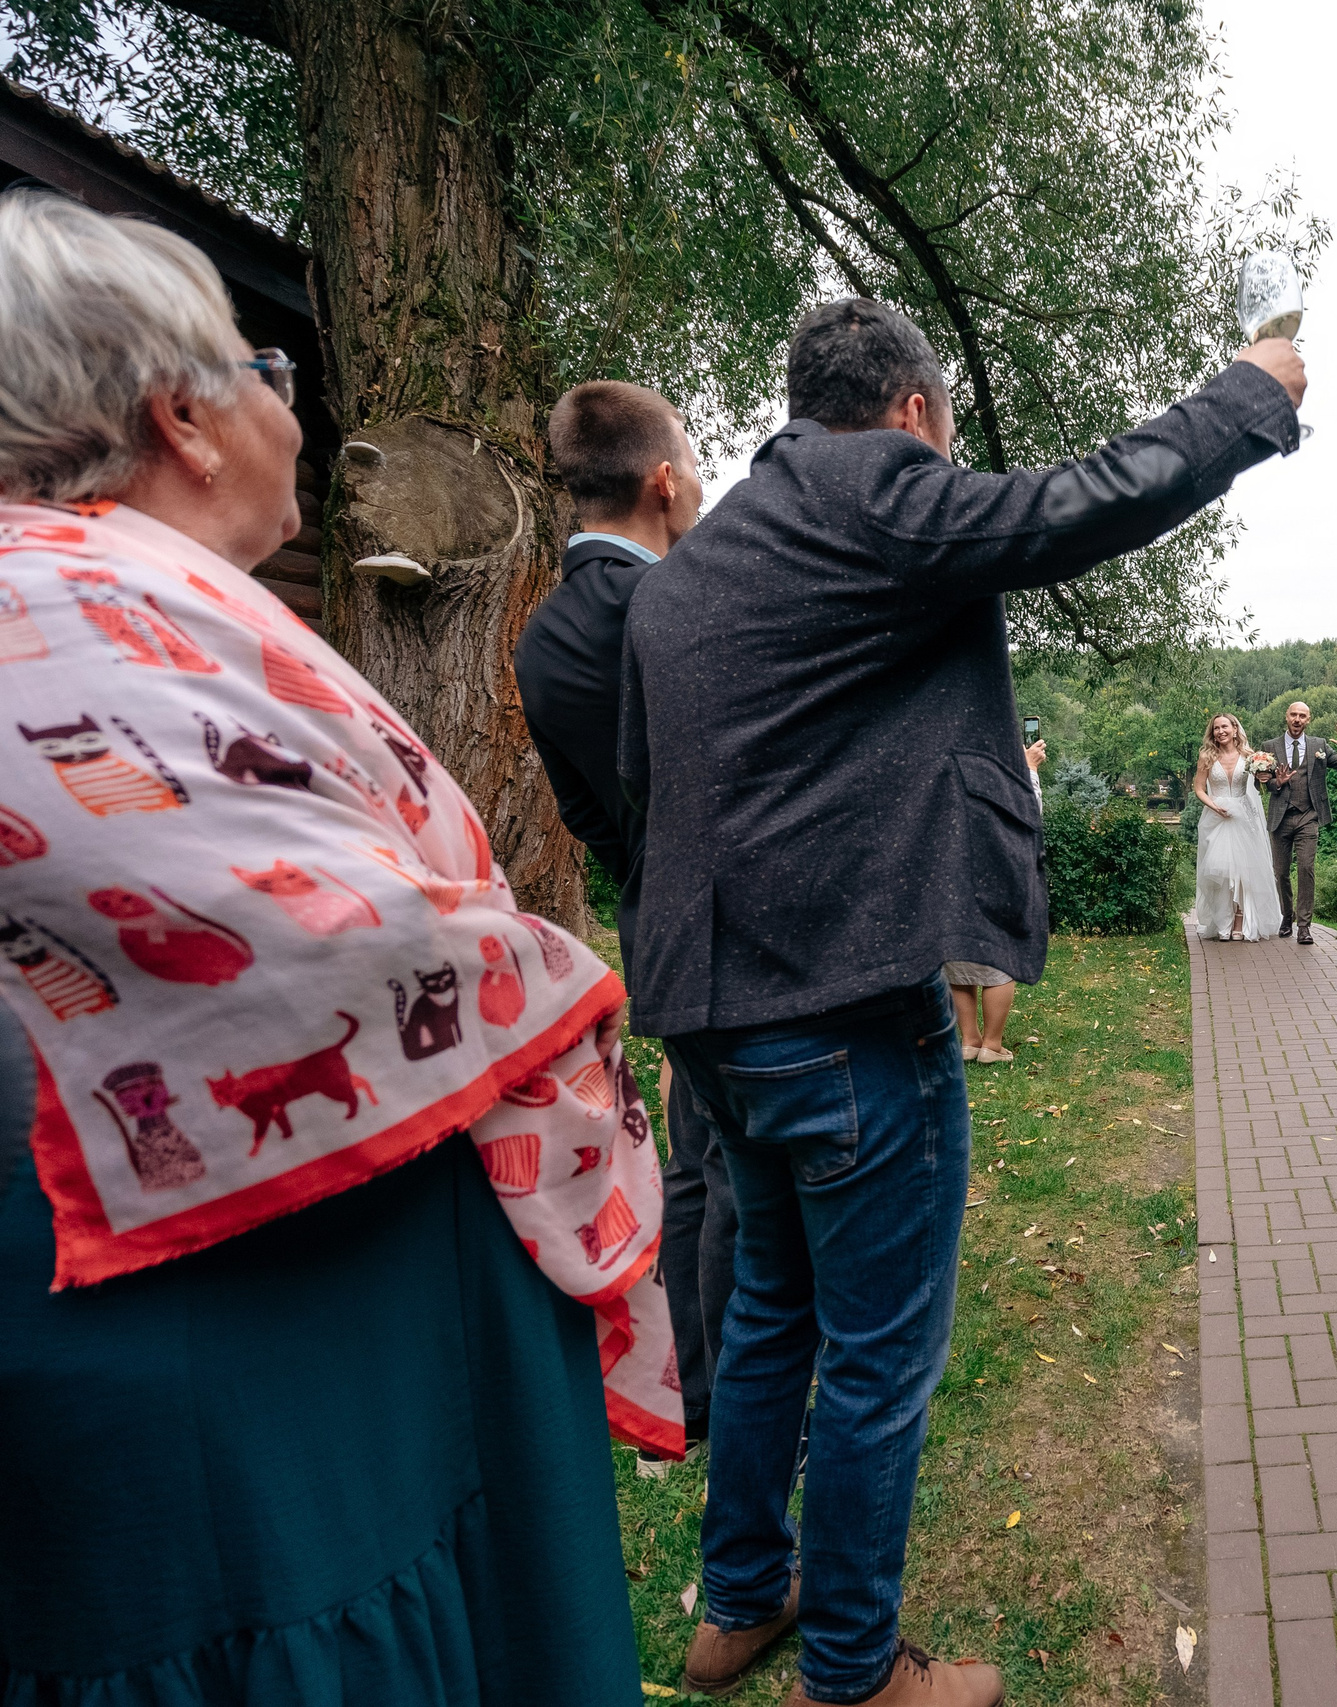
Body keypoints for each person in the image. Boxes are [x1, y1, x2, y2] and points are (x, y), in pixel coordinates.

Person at [0, 189, 676, 1701]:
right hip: (261, 1384)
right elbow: (321, 945)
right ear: (184, 418)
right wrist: (554, 980)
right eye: (269, 371)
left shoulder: (115, 609)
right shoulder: (82, 618)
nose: (295, 415)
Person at [622, 295, 1304, 1707]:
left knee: (769, 1309)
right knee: (877, 1358)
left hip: (712, 1014)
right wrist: (1248, 395)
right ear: (916, 411)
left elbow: (647, 790)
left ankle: (738, 1601)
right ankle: (855, 1673)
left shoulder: (696, 563)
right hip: (845, 1010)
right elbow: (1079, 504)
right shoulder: (874, 492)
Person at [515, 378, 733, 1449]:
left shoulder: (540, 637)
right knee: (742, 1173)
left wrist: (642, 876)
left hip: (657, 926)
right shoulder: (683, 602)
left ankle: (686, 1385)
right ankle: (748, 1385)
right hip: (742, 924)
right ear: (662, 482)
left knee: (695, 1162)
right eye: (691, 462)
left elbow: (582, 810)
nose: (697, 481)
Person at [947, 738, 1050, 1062]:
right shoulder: (996, 775)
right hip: (996, 878)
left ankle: (969, 1040)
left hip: (952, 878)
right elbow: (1028, 816)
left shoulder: (949, 770)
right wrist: (1029, 769)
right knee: (1000, 960)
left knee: (959, 956)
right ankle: (991, 1044)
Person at [1258, 700, 1337, 944]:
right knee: (1281, 872)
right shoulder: (1269, 747)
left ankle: (1303, 926)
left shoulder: (1318, 745)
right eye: (1294, 714)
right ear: (1286, 717)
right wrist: (1277, 782)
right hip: (1281, 816)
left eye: (1302, 715)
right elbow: (1264, 783)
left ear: (1308, 720)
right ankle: (1286, 915)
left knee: (1306, 868)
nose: (1297, 719)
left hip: (1308, 816)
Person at [1192, 711, 1285, 940]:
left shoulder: (1250, 756)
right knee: (1220, 871)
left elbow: (1261, 785)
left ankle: (1240, 920)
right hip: (1217, 818)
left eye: (1224, 727)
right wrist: (1214, 806)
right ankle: (1223, 920)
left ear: (1235, 729)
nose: (1220, 731)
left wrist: (1264, 778)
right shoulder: (1207, 756)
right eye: (1216, 728)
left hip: (1243, 816)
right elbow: (1199, 789)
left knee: (1245, 870)